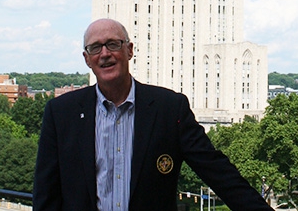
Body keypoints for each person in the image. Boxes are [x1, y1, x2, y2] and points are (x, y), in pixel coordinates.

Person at [33, 18, 273, 211]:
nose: (104, 53)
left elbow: (218, 172)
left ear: (129, 50)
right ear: (87, 59)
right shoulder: (61, 113)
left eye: (113, 44)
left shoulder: (169, 108)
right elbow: (46, 193)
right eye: (95, 47)